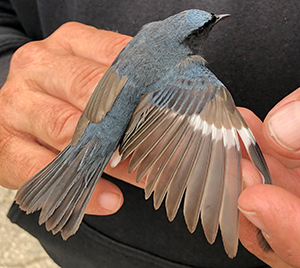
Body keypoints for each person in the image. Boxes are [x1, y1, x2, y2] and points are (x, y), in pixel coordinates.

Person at [1, 0, 300, 267]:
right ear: (192, 38)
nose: (213, 23)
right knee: (216, 103)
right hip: (87, 248)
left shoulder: (149, 34)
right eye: (205, 26)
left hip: (99, 123)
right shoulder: (194, 77)